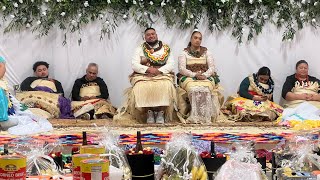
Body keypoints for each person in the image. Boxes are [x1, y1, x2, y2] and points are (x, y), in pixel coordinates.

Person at [114, 28, 176, 124]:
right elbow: (134, 64)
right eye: (148, 35)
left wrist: (158, 71)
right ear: (145, 37)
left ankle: (161, 112)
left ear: (156, 35)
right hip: (144, 74)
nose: (151, 36)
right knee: (141, 86)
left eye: (153, 34)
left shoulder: (166, 48)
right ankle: (149, 113)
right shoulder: (139, 49)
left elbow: (171, 64)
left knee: (166, 85)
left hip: (162, 74)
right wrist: (148, 69)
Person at [176, 30, 223, 124]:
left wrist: (205, 75)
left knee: (205, 89)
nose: (198, 40)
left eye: (200, 39)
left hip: (205, 77)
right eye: (195, 38)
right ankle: (195, 115)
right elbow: (181, 69)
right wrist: (194, 75)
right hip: (189, 77)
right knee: (193, 89)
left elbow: (212, 68)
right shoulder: (184, 53)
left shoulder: (207, 52)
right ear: (191, 39)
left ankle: (206, 116)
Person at [0, 56, 53, 134]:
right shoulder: (29, 80)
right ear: (35, 72)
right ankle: (3, 120)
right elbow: (26, 91)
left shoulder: (55, 82)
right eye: (40, 70)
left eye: (44, 69)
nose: (42, 72)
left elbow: (60, 93)